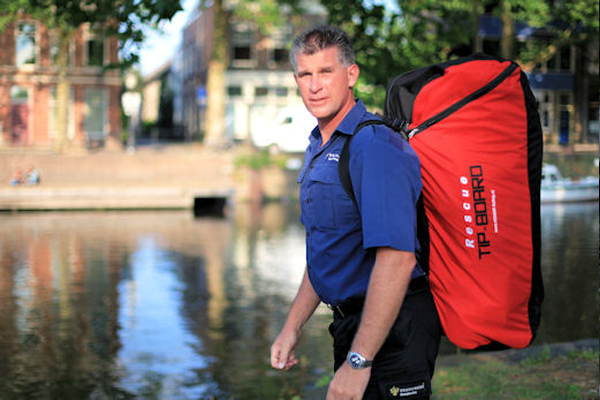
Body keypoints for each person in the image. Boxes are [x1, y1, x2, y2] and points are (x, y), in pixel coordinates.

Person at [269, 25, 441, 399]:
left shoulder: (374, 146)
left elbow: (396, 260)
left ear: (351, 75)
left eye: (326, 72)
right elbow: (330, 251)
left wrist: (359, 361)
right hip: (352, 326)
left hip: (394, 332)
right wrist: (293, 325)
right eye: (305, 74)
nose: (315, 86)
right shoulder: (318, 145)